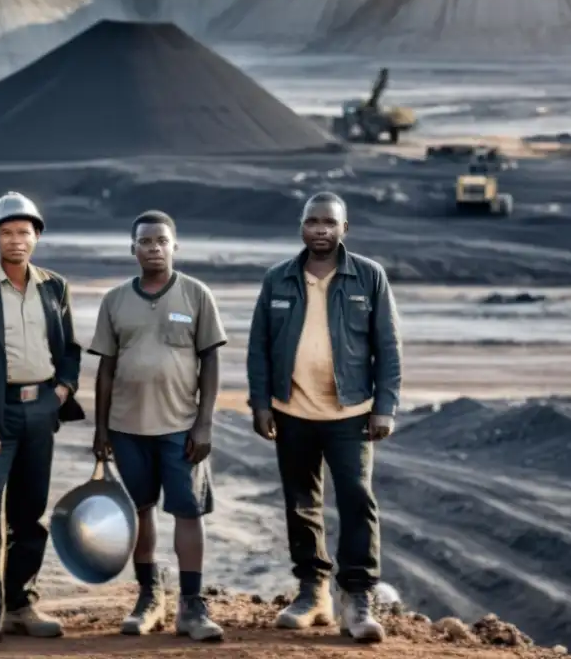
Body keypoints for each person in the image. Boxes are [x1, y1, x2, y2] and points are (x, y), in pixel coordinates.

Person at [245, 191, 401, 644]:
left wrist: (385, 406)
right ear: (301, 227)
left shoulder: (368, 277)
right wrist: (260, 403)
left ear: (343, 229)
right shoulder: (277, 279)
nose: (320, 229)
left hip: (351, 413)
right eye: (312, 221)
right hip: (292, 410)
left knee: (357, 499)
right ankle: (313, 592)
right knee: (300, 502)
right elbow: (258, 346)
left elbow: (388, 347)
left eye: (329, 222)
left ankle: (357, 597)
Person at [0, 191, 84, 654]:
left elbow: (68, 349)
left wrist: (62, 392)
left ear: (37, 237)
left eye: (24, 232)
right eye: (6, 232)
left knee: (30, 513)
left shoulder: (54, 287)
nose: (16, 240)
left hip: (39, 411)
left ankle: (21, 605)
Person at [89, 210, 227, 643]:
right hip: (127, 427)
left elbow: (210, 360)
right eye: (145, 242)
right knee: (140, 510)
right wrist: (101, 428)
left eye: (161, 241)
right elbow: (106, 369)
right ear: (133, 249)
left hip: (180, 428)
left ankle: (191, 604)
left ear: (174, 246)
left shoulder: (196, 295)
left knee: (187, 510)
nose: (154, 248)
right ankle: (149, 597)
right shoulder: (114, 300)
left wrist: (204, 424)